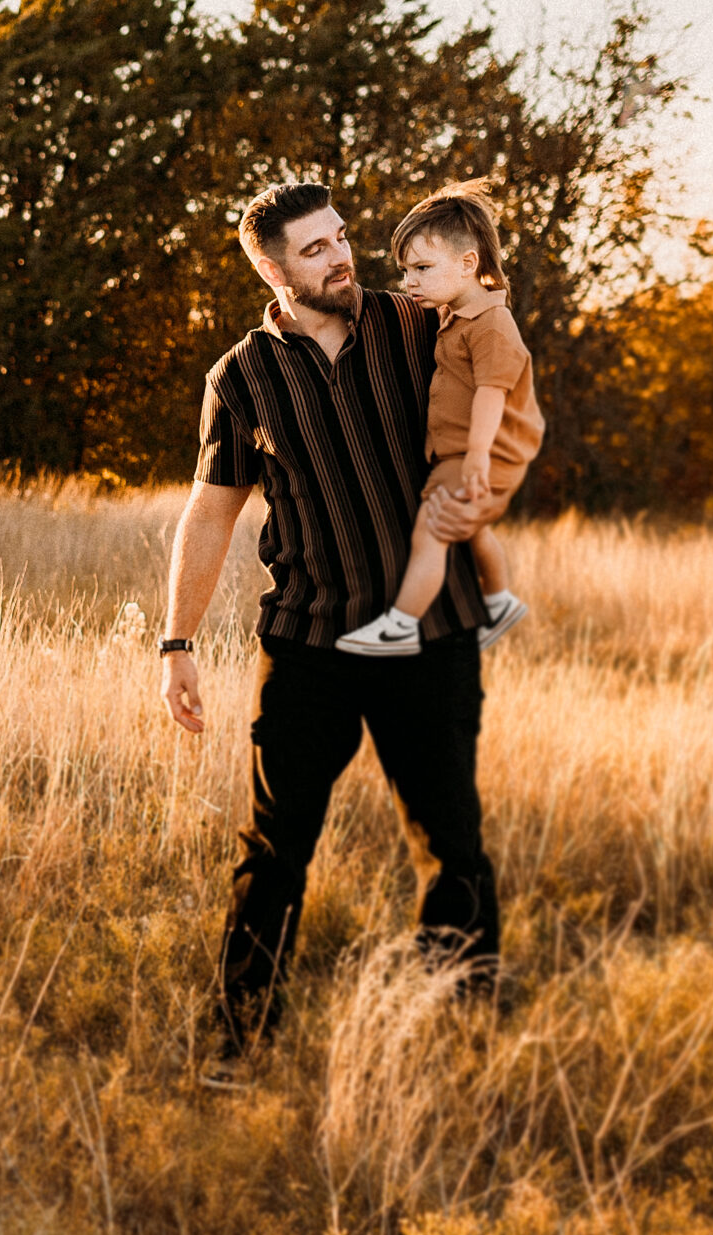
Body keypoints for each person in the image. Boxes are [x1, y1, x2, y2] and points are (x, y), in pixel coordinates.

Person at [158, 182, 503, 1085]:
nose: (342, 256)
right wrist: (176, 643)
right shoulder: (241, 378)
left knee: (452, 843)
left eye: (341, 237)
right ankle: (239, 1042)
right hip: (311, 643)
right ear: (272, 271)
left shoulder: (416, 326)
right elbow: (209, 514)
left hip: (433, 634)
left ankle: (459, 1036)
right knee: (274, 851)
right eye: (314, 250)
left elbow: (501, 364)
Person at [335, 179, 543, 656]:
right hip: (466, 451)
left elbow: (492, 394)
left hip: (482, 451)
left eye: (423, 268)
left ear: (469, 264)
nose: (411, 283)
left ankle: (402, 625)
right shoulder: (457, 315)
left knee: (433, 529)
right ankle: (501, 600)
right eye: (406, 271)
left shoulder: (491, 323)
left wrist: (475, 460)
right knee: (468, 526)